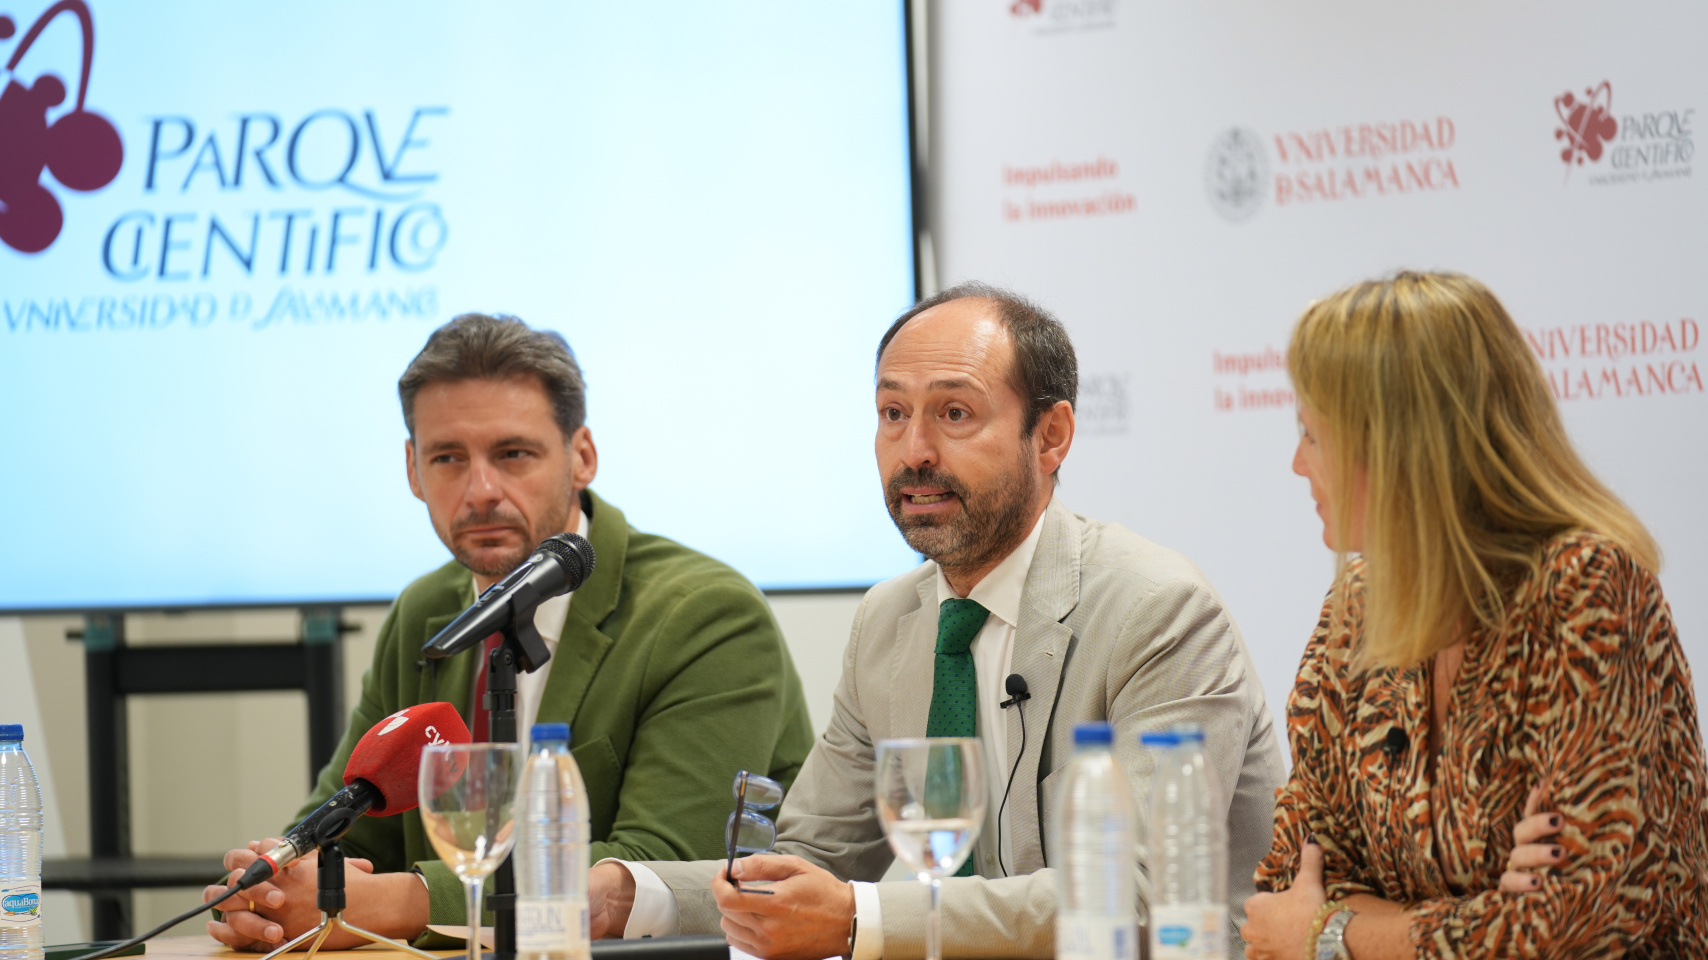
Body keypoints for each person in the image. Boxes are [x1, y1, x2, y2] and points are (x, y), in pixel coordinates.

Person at [587, 283, 1287, 959]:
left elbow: (1132, 895)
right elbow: (805, 862)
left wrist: (858, 919)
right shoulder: (890, 622)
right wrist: (636, 894)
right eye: (893, 414)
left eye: (954, 414)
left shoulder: (1157, 610)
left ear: (1051, 435)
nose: (914, 451)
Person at [203, 313, 816, 950]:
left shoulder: (706, 613)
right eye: (447, 458)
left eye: (513, 454)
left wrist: (396, 900)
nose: (481, 490)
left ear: (582, 457)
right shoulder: (426, 610)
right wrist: (273, 889)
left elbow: (660, 867)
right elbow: (349, 831)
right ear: (413, 471)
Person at [1241, 272, 1708, 959]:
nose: (1296, 464)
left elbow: (1564, 925)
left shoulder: (1584, 589)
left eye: (1312, 435)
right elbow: (1290, 880)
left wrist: (1336, 934)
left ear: (1400, 448)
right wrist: (1483, 913)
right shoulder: (1357, 606)